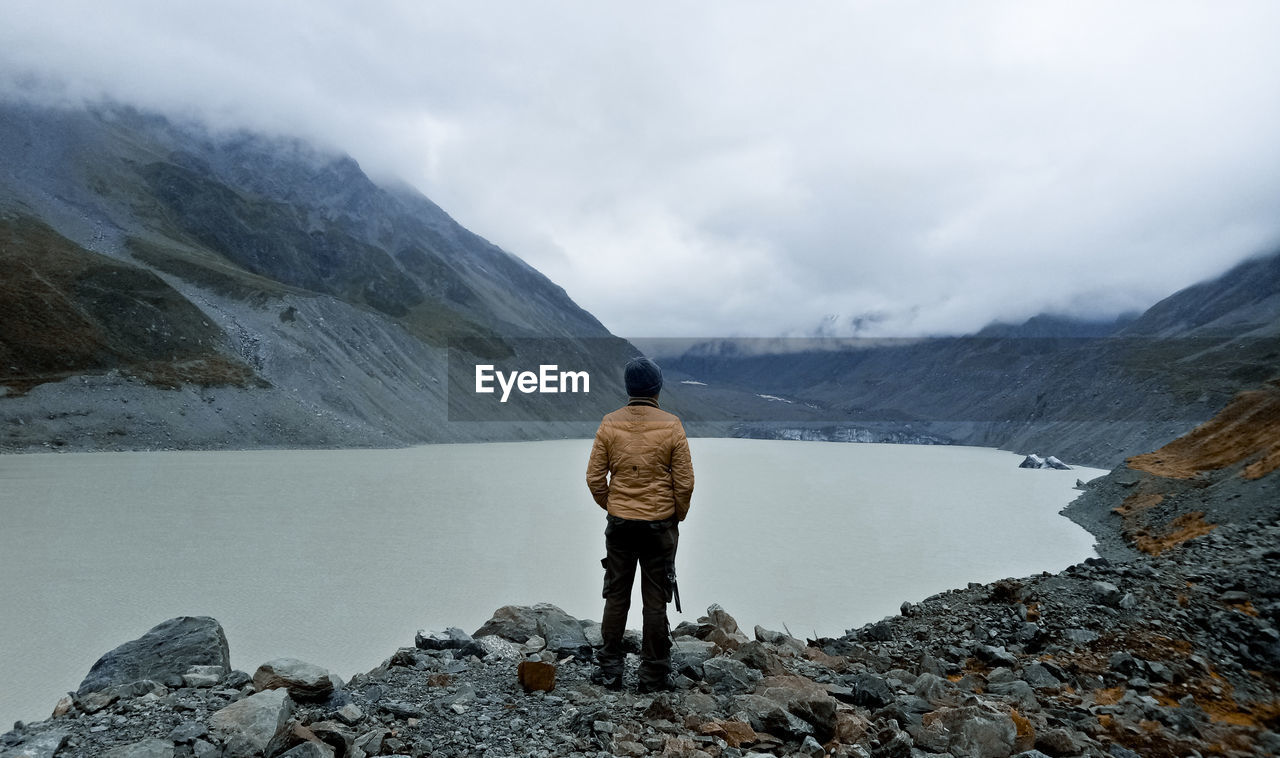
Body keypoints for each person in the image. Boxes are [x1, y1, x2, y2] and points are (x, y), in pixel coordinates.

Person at [585, 356, 694, 692]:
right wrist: (674, 515)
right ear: (657, 388)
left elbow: (594, 478)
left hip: (620, 526)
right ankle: (653, 675)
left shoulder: (609, 423)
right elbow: (685, 483)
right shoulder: (672, 425)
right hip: (659, 526)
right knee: (655, 599)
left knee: (616, 596)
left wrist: (615, 505)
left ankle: (611, 671)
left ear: (628, 388)